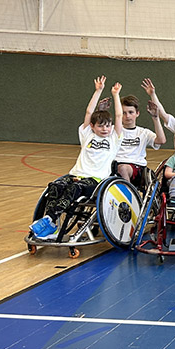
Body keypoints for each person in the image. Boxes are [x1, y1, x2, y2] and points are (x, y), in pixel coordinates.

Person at [30, 77, 124, 240]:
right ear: (92, 126)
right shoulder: (86, 135)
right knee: (55, 186)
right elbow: (89, 112)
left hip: (95, 180)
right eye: (100, 125)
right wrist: (98, 91)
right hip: (75, 174)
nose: (105, 128)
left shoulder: (113, 139)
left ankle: (48, 220)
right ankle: (51, 226)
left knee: (75, 189)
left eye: (108, 125)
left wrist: (115, 95)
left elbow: (119, 116)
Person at [112, 80, 166, 185]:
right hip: (115, 166)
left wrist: (155, 118)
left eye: (131, 112)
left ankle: (128, 197)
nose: (127, 116)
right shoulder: (114, 130)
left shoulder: (143, 132)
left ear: (137, 113)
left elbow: (161, 140)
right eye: (124, 113)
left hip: (136, 168)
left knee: (122, 168)